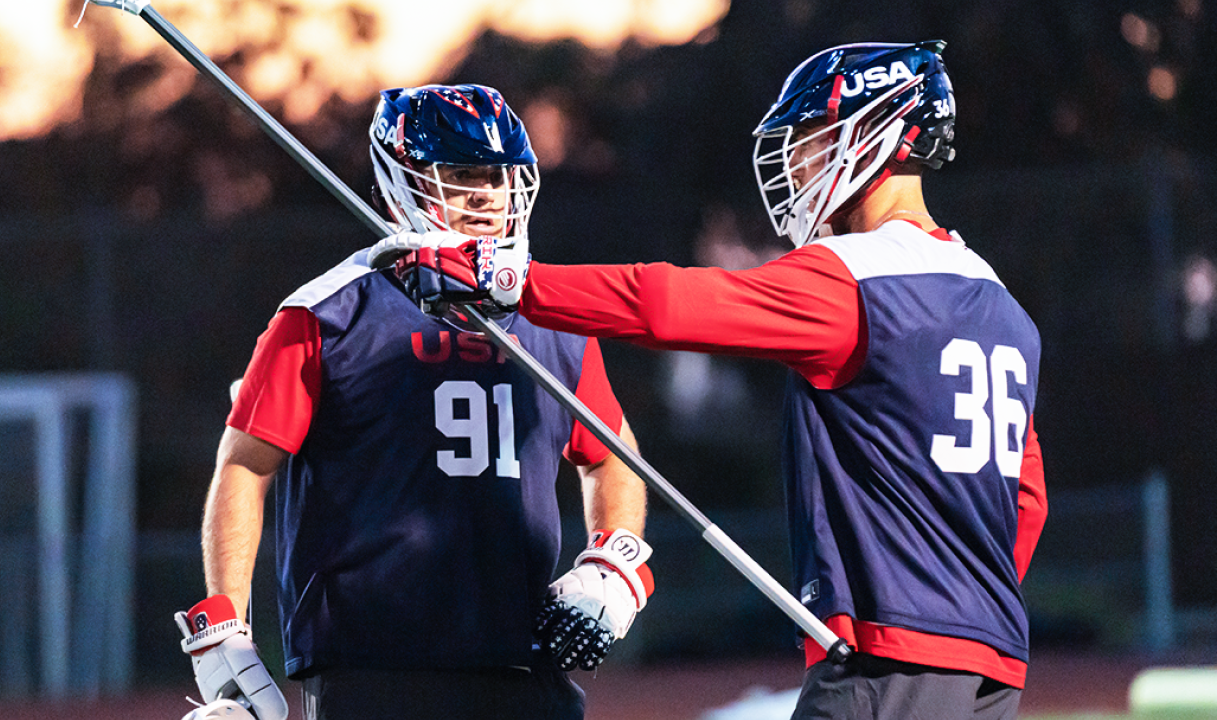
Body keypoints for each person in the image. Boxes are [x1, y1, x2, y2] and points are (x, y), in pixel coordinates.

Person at [401, 42, 1048, 720]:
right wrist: (965, 609)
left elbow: (667, 304)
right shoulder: (1002, 304)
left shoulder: (854, 277)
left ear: (873, 133)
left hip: (890, 655)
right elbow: (1025, 501)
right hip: (991, 661)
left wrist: (513, 283)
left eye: (811, 139)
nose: (797, 163)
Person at [173, 83, 652, 720]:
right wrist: (223, 623)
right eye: (461, 175)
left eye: (499, 176)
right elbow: (246, 463)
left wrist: (611, 556)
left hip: (522, 650)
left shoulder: (548, 315)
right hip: (373, 660)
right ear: (404, 182)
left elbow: (612, 453)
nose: (486, 194)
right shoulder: (327, 313)